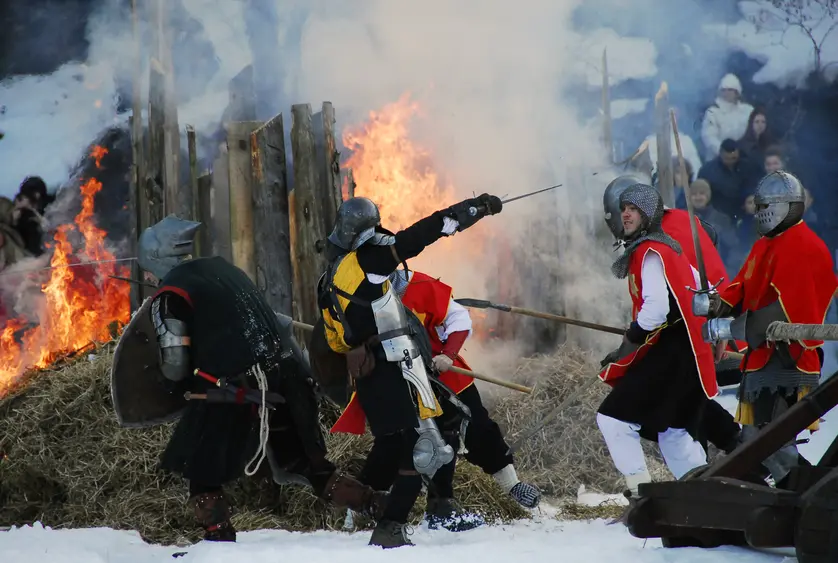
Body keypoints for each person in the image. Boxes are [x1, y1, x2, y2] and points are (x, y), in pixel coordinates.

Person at [135, 215, 387, 543]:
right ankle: (380, 506)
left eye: (147, 269)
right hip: (286, 378)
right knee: (307, 465)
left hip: (235, 387)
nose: (146, 277)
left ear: (157, 259)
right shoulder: (224, 272)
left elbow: (174, 364)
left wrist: (170, 386)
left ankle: (219, 543)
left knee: (201, 469)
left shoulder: (170, 294)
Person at [313, 194, 503, 547]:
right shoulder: (368, 260)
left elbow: (335, 342)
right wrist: (468, 211)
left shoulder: (329, 277)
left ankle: (378, 511)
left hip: (369, 375)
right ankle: (391, 526)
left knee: (409, 441)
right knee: (422, 447)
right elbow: (418, 236)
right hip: (393, 370)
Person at [355, 269, 539, 530]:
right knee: (392, 442)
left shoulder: (420, 285)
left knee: (473, 424)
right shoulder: (353, 294)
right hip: (392, 382)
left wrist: (448, 354)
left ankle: (505, 487)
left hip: (439, 373)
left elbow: (458, 318)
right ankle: (359, 507)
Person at [697, 171, 838, 485]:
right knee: (758, 442)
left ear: (786, 206)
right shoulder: (767, 243)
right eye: (758, 207)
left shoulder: (804, 246)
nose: (760, 213)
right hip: (764, 359)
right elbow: (743, 286)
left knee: (772, 443)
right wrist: (717, 304)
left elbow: (783, 314)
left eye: (765, 207)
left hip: (789, 359)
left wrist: (727, 329)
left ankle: (805, 494)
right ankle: (784, 493)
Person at [603, 175, 743, 457]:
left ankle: (744, 457)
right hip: (694, 333)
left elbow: (690, 294)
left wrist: (633, 345)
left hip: (705, 334)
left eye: (630, 210)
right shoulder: (666, 225)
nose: (624, 218)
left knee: (680, 405)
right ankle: (737, 452)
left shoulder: (667, 234)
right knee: (685, 406)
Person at [598, 182, 720, 499]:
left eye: (634, 209)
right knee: (674, 434)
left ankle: (642, 493)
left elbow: (655, 310)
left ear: (649, 214)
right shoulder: (669, 248)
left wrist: (630, 340)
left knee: (612, 419)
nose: (626, 214)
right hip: (689, 352)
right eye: (624, 209)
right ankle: (702, 498)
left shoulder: (650, 251)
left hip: (672, 353)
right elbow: (704, 287)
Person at [701, 73, 755, 161]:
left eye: (730, 90)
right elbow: (709, 136)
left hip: (744, 157)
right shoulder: (712, 112)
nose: (727, 93)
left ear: (737, 92)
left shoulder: (748, 110)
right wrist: (725, 152)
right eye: (724, 90)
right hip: (718, 159)